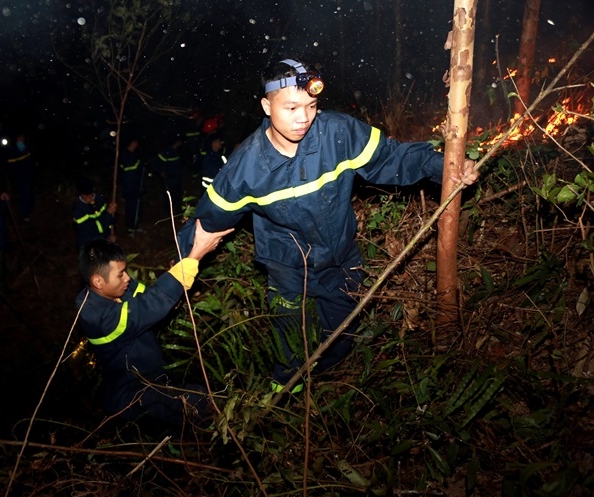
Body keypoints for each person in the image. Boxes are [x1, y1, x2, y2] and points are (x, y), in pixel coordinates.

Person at [176, 59, 479, 391]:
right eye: (291, 107)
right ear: (266, 106)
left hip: (340, 257)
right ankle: (284, 407)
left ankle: (322, 390)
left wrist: (447, 168)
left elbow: (394, 157)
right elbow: (208, 222)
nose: (303, 117)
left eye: (311, 105)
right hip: (288, 268)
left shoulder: (339, 133)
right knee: (292, 351)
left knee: (341, 336)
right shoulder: (247, 168)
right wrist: (176, 271)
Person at [75, 220, 234, 430]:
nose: (127, 279)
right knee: (199, 404)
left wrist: (177, 270)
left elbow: (151, 295)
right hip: (135, 392)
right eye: (120, 274)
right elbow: (152, 304)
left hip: (153, 375)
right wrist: (195, 256)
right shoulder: (100, 319)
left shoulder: (111, 290)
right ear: (98, 282)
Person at [73, 176, 117, 252]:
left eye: (90, 196)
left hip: (103, 240)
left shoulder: (100, 199)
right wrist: (108, 213)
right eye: (85, 198)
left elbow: (108, 221)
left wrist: (109, 236)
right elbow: (93, 229)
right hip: (88, 244)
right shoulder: (78, 210)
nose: (89, 200)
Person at [3, 132, 36, 222]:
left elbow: (30, 160)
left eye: (23, 137)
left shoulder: (25, 148)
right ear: (17, 138)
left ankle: (29, 211)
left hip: (28, 176)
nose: (23, 139)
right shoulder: (12, 151)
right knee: (24, 196)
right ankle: (23, 215)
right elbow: (11, 167)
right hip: (20, 178)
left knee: (29, 195)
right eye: (21, 137)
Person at [119, 136, 145, 235]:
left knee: (138, 205)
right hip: (130, 186)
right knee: (131, 206)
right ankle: (131, 227)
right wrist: (140, 163)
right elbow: (129, 169)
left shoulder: (134, 154)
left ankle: (137, 225)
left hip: (136, 184)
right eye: (135, 142)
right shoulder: (126, 155)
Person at [154, 135, 184, 217]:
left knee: (177, 195)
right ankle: (167, 213)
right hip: (169, 178)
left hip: (177, 178)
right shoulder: (167, 152)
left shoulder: (177, 151)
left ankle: (178, 212)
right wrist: (160, 172)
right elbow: (157, 163)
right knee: (168, 196)